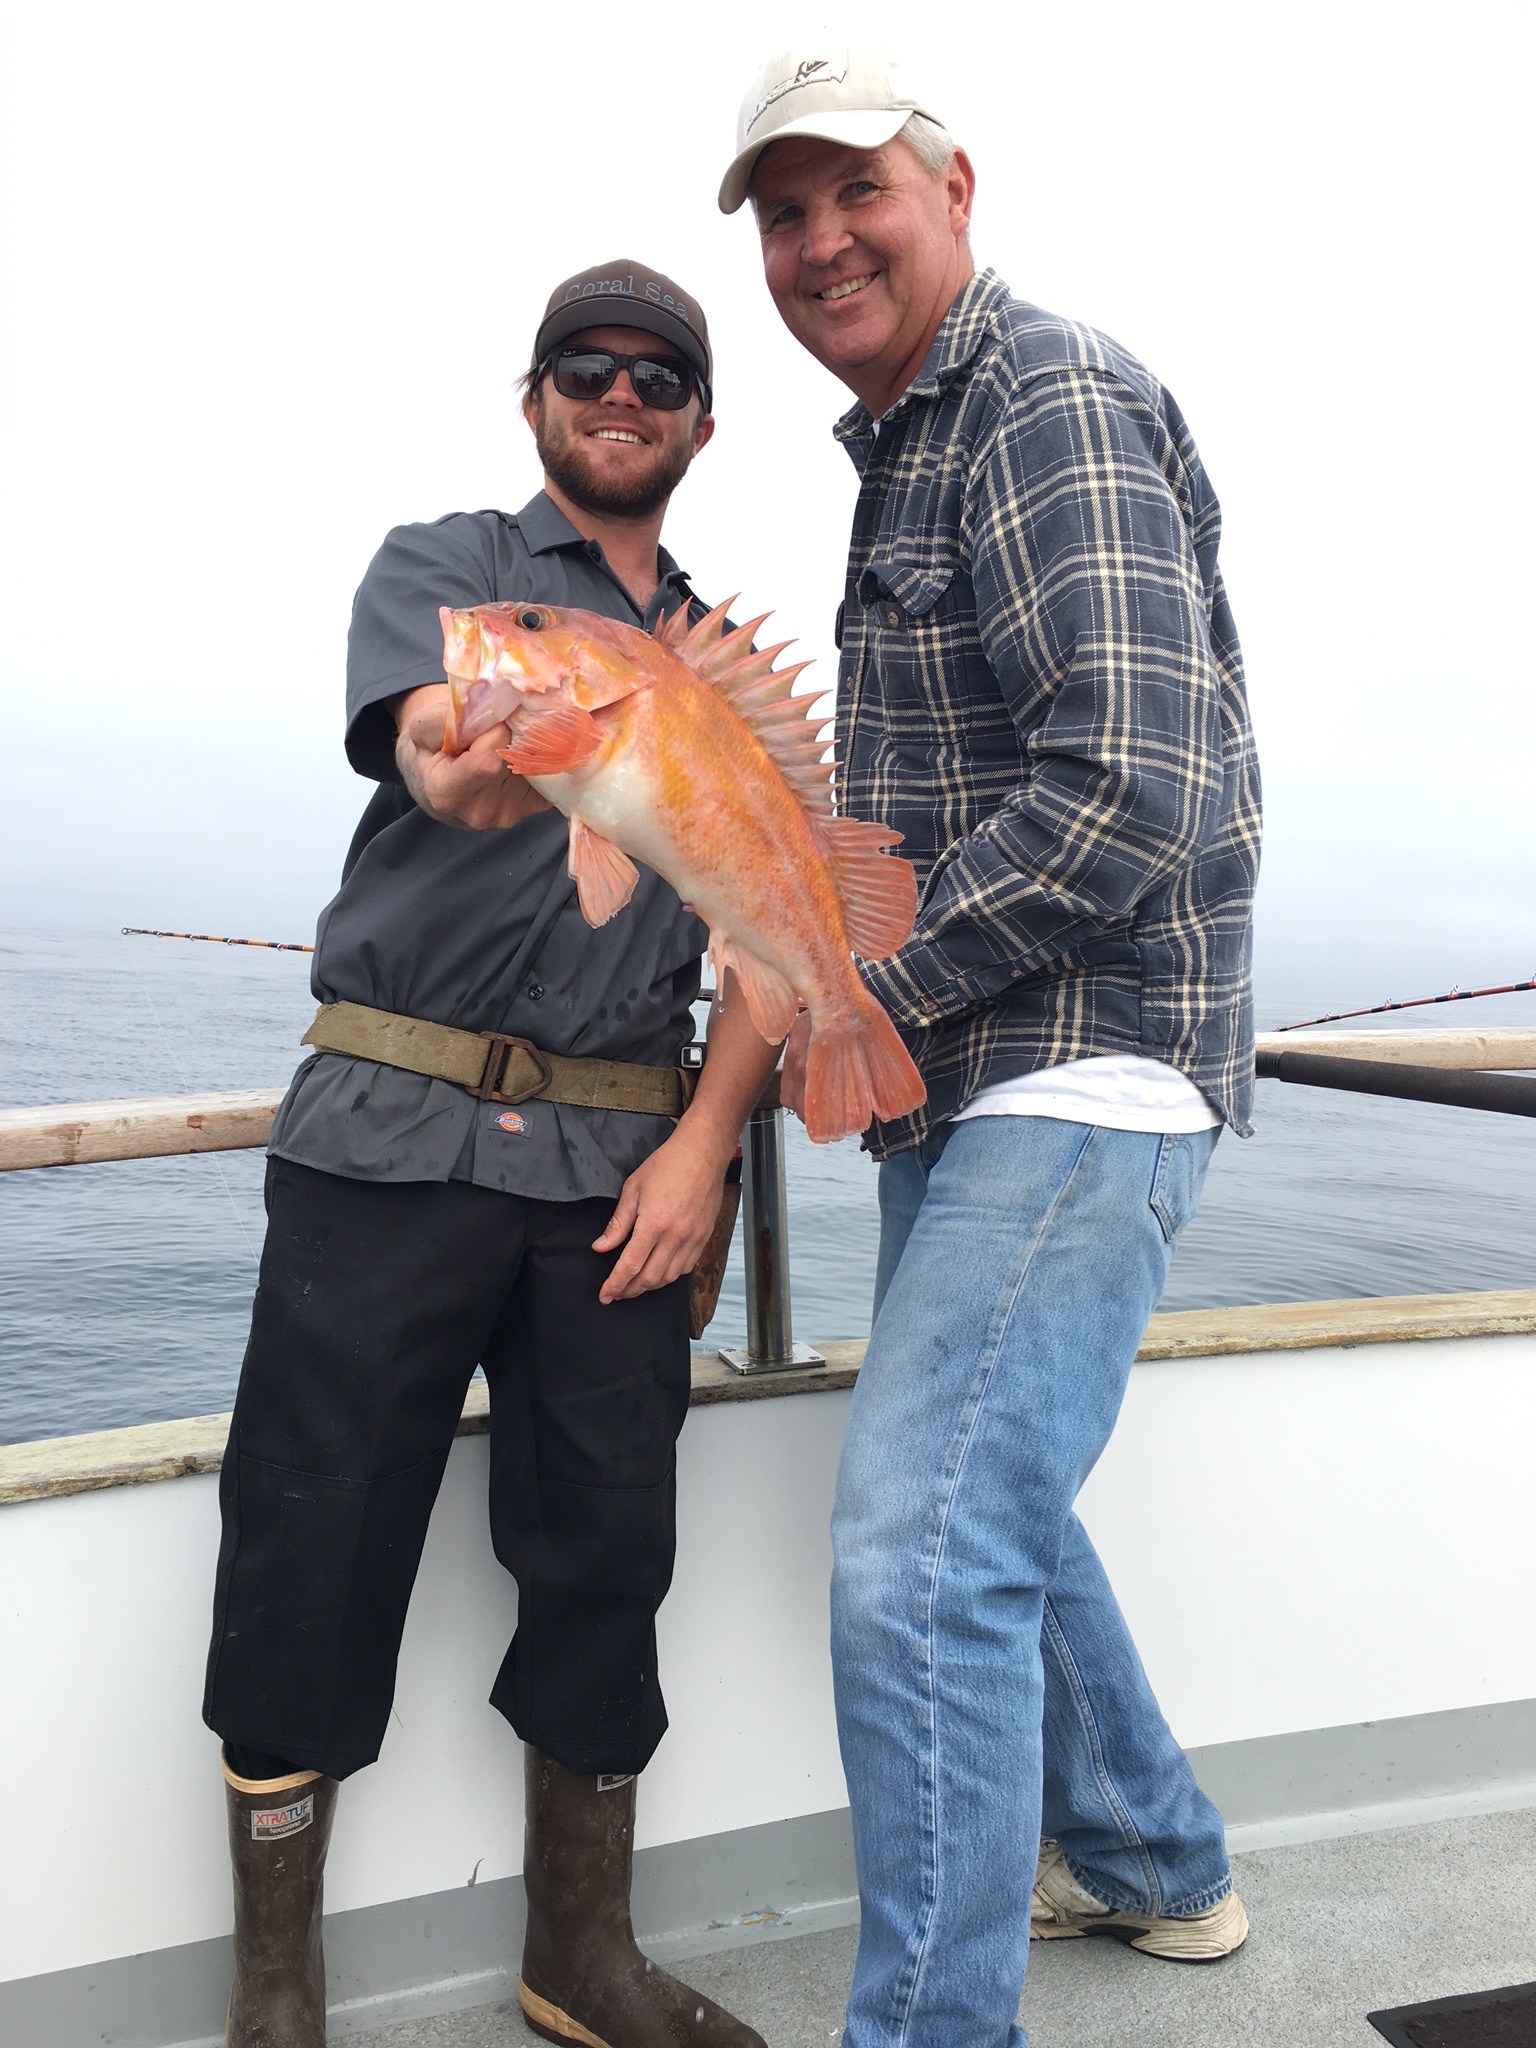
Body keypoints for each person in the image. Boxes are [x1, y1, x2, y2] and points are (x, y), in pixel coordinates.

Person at [720, 49, 1263, 2048]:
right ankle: (1151, 1857)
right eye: (781, 215)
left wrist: (860, 996)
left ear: (956, 188)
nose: (817, 241)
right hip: (971, 1075)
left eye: (852, 190)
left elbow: (1139, 787)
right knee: (980, 1511)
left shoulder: (1041, 400)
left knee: (915, 1556)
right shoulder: (904, 456)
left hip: (1087, 1064)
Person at [202, 259, 776, 2048]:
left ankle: (579, 1957)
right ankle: (279, 1986)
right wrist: (493, 736)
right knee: (311, 1529)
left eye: (661, 372)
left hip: (623, 1163)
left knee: (610, 1548)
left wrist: (702, 1151)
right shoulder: (448, 572)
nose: (624, 391)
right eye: (587, 368)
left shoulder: (720, 669)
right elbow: (440, 756)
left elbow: (765, 931)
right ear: (533, 399)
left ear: (698, 420)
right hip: (387, 1134)